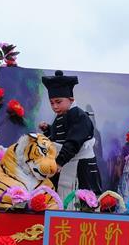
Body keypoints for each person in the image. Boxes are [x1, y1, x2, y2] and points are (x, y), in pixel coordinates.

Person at [38, 70, 103, 198]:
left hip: (82, 167)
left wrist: (59, 162)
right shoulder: (61, 115)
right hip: (64, 165)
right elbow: (59, 137)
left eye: (58, 102)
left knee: (85, 201)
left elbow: (73, 141)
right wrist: (48, 130)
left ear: (71, 99)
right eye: (52, 103)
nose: (55, 106)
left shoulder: (80, 116)